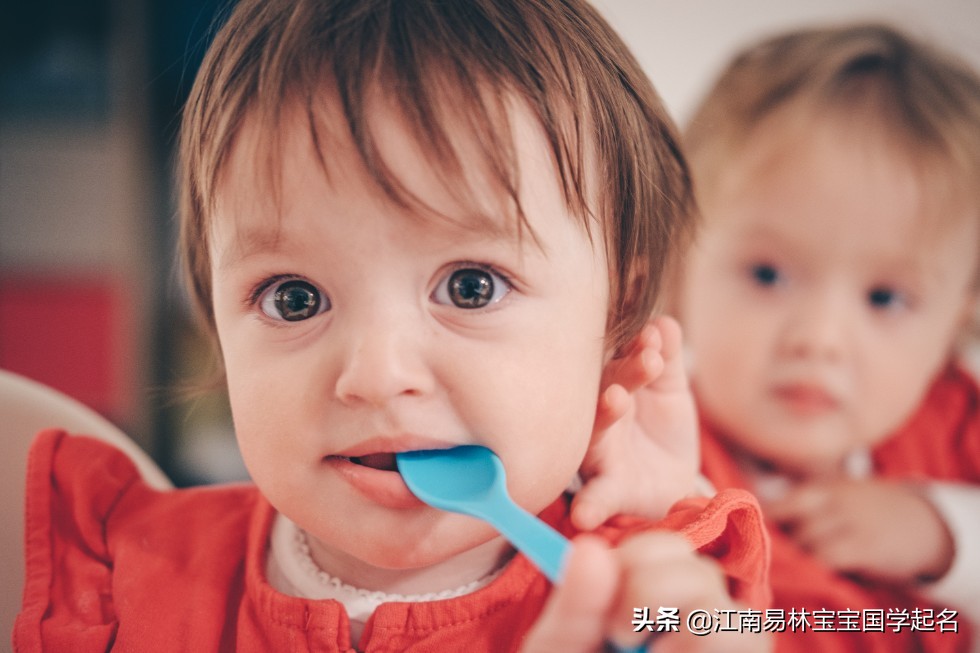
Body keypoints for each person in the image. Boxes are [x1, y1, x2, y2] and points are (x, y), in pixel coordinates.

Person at [15, 1, 771, 651]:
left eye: (471, 288)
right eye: (294, 298)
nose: (376, 375)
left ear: (616, 324)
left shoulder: (646, 605)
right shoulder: (124, 574)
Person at [672, 21, 980, 653]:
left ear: (956, 325)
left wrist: (943, 533)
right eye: (768, 274)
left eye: (886, 298)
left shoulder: (956, 429)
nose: (819, 339)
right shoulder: (657, 458)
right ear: (676, 269)